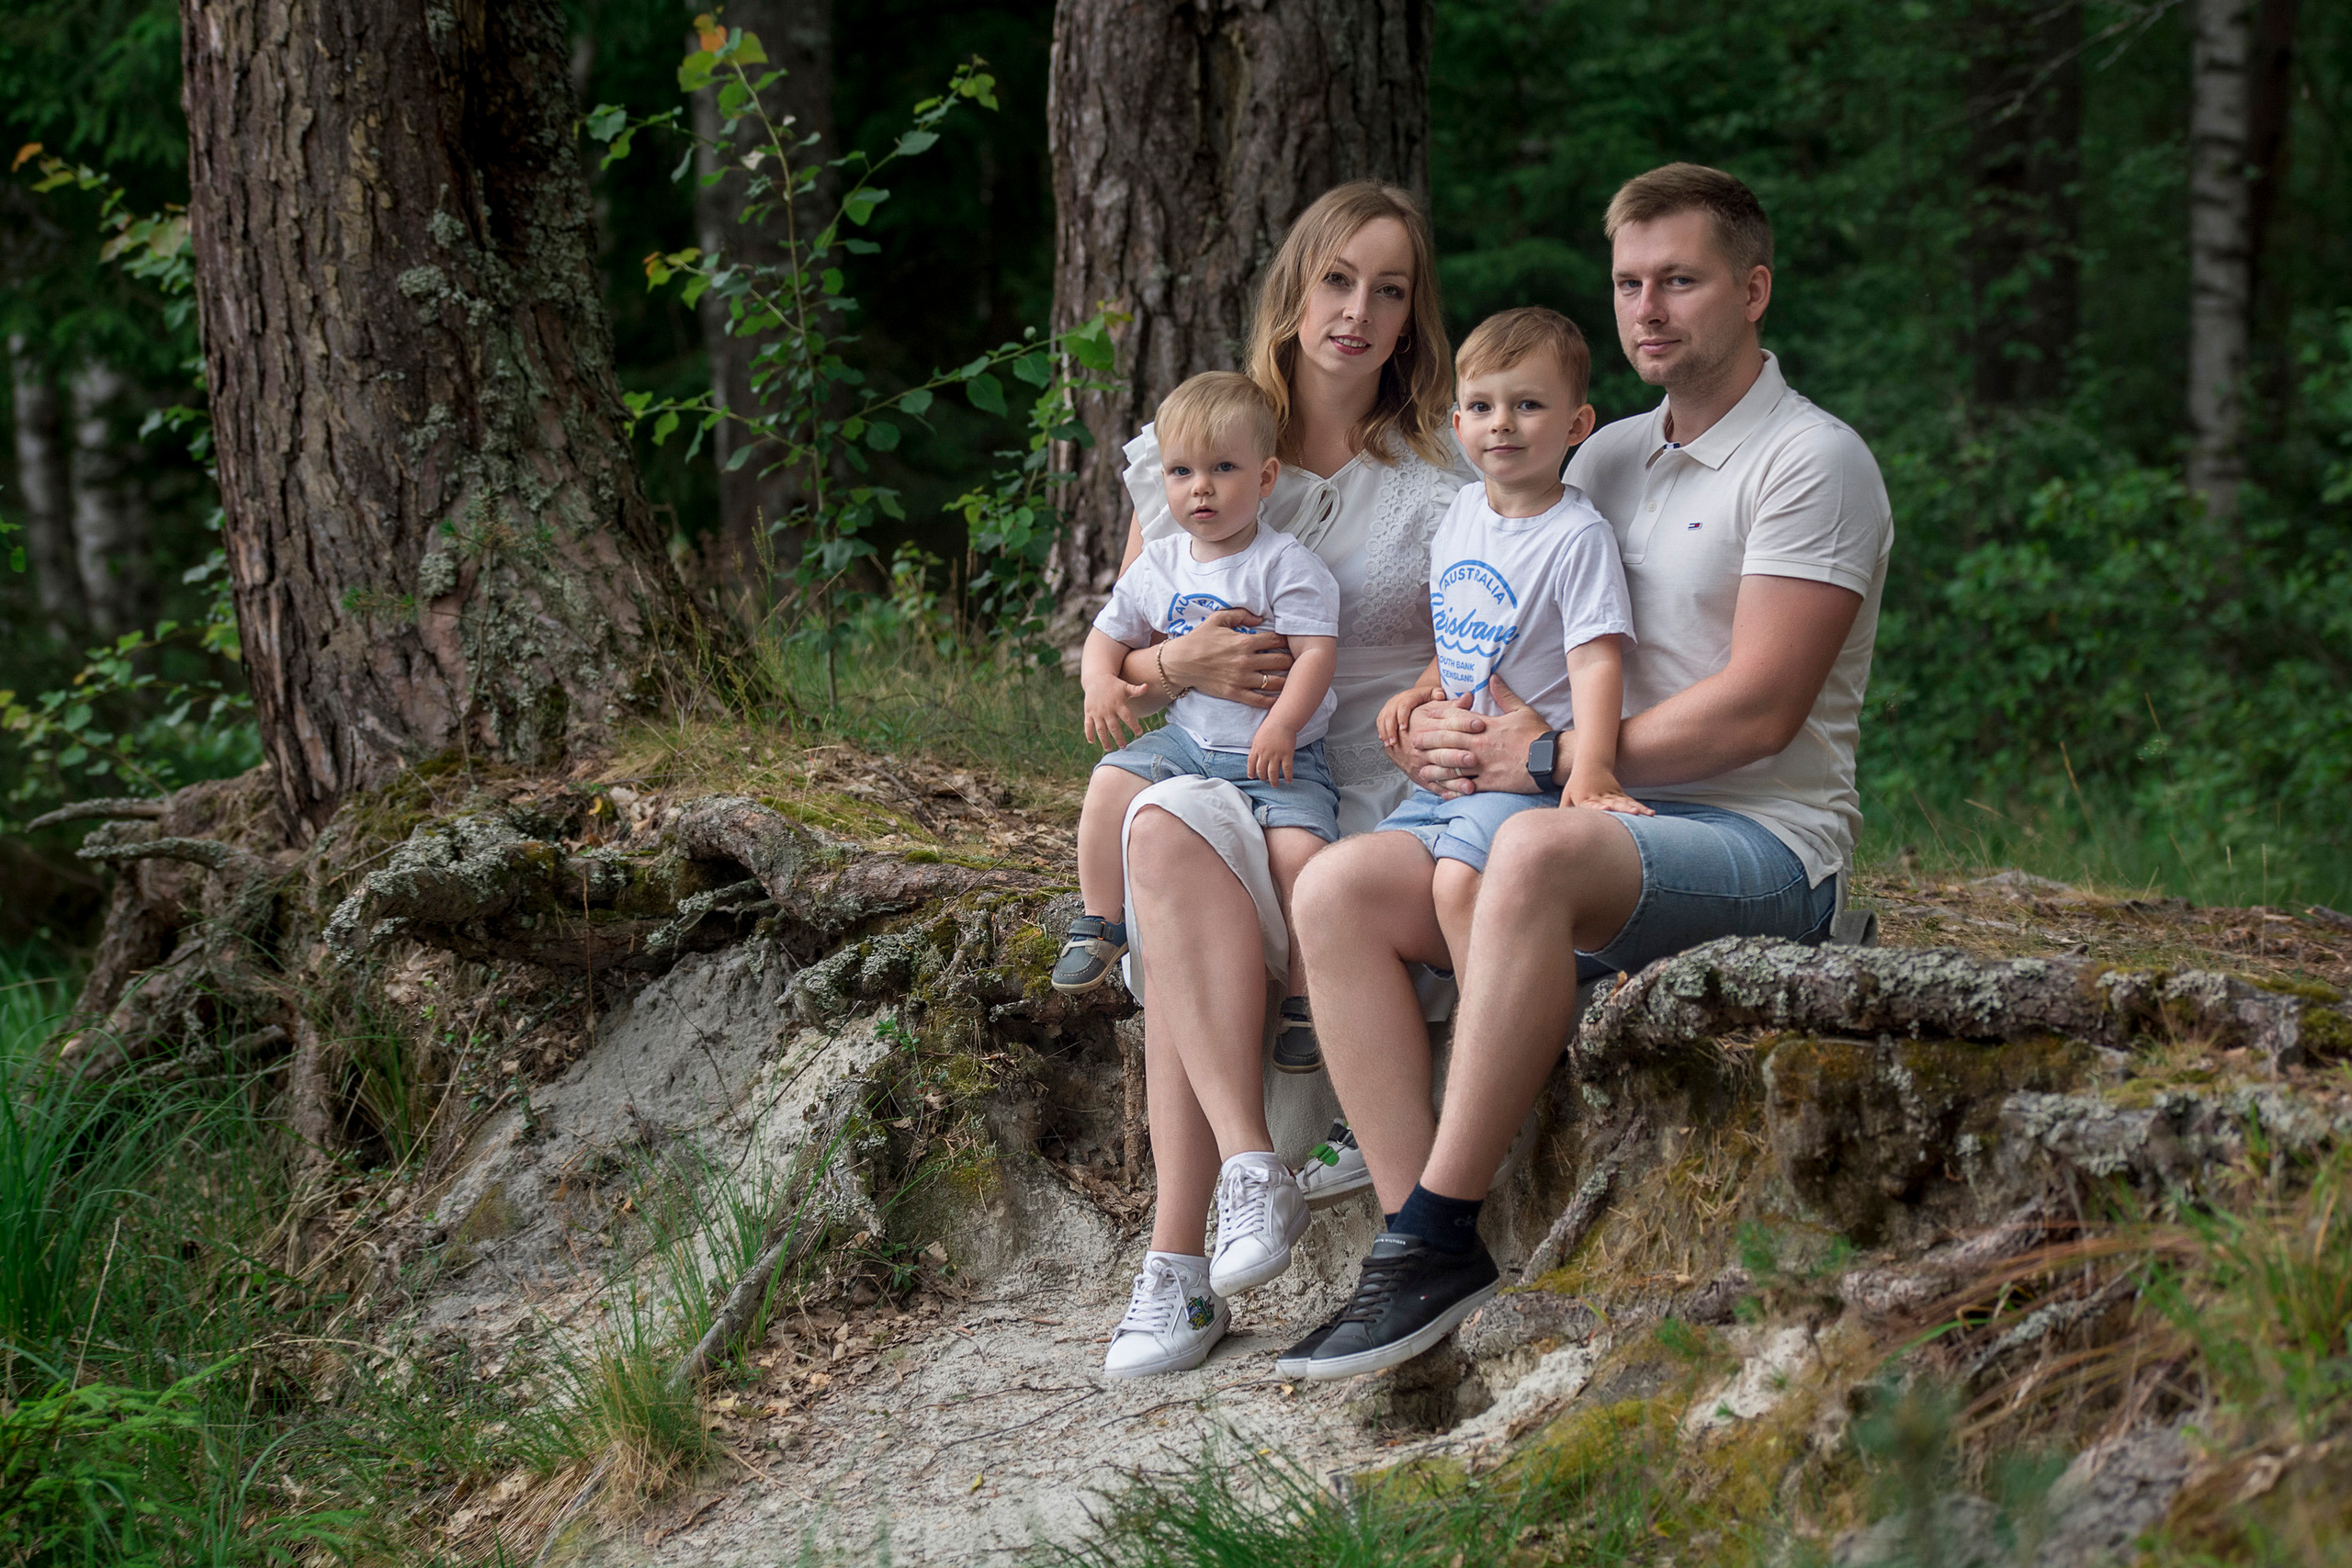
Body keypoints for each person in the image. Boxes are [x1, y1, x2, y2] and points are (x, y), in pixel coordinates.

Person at [1289, 163, 1895, 1381]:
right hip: (1575, 817)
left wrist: (1555, 753)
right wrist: (1424, 716)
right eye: (1630, 282)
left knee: (1529, 848)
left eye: (1682, 279)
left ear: (1754, 288)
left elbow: (1766, 709)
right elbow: (1492, 624)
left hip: (1759, 843)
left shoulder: (1811, 462)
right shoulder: (1602, 452)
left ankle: (1436, 1228)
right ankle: (1420, 1247)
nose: (1650, 307)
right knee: (1339, 889)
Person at [1090, 182, 1476, 1379]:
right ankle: (1196, 1244)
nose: (1358, 311)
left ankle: (1193, 1253)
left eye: (1390, 289)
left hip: (1363, 785)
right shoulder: (1204, 440)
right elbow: (1125, 642)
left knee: (1178, 845)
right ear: (1294, 291)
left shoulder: (1445, 466)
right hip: (1217, 756)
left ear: (1413, 317)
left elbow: (1488, 633)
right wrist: (1172, 661)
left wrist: (1431, 693)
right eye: (1337, 280)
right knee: (1159, 824)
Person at [1055, 372, 1342, 1043]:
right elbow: (1108, 631)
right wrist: (1099, 681)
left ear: (1266, 477)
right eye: (1181, 471)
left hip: (1280, 753)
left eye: (1222, 469)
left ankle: (1307, 995)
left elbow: (1317, 656)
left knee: (1303, 856)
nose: (1200, 487)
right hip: (1187, 740)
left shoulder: (1284, 565)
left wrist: (1282, 723)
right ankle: (1100, 920)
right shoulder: (1159, 563)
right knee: (1109, 784)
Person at [1369, 305, 1647, 990]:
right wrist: (1420, 689)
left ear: (1576, 425)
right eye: (1482, 405)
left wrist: (1592, 768)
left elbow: (1596, 659)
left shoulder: (1576, 537)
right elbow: (1461, 636)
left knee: (1460, 881)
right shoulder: (1463, 513)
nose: (1502, 422)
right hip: (1450, 774)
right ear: (1458, 423)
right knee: (1365, 874)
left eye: (1528, 404)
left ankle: (1497, 1029)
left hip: (1521, 782)